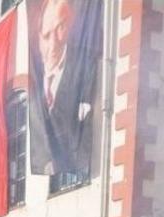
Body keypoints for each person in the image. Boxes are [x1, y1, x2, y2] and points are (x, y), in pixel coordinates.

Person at [28, 0, 102, 176]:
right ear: (38, 39)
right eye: (46, 35)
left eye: (60, 28)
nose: (53, 44)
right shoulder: (35, 89)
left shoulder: (84, 70)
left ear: (71, 28)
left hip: (80, 172)